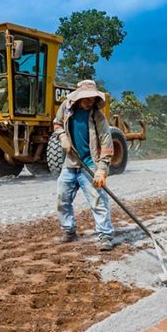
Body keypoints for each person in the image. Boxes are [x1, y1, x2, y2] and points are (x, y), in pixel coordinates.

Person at [53, 79, 115, 251]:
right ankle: (69, 230)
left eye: (92, 98)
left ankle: (105, 235)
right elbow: (57, 124)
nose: (89, 101)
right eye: (86, 98)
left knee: (98, 201)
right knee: (62, 199)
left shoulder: (98, 116)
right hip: (70, 164)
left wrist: (102, 169)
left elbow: (106, 143)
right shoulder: (66, 108)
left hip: (90, 164)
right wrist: (62, 137)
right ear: (78, 98)